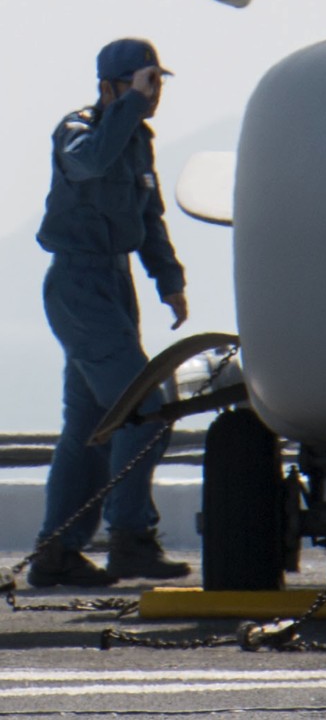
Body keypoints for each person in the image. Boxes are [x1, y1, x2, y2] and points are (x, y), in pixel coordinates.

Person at [30, 39, 191, 588]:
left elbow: (149, 216)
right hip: (78, 283)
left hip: (113, 282)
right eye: (144, 82)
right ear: (109, 87)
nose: (154, 93)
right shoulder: (78, 131)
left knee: (90, 426)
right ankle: (130, 539)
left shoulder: (138, 142)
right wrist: (124, 110)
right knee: (144, 408)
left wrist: (169, 280)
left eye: (157, 82)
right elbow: (89, 162)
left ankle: (57, 553)